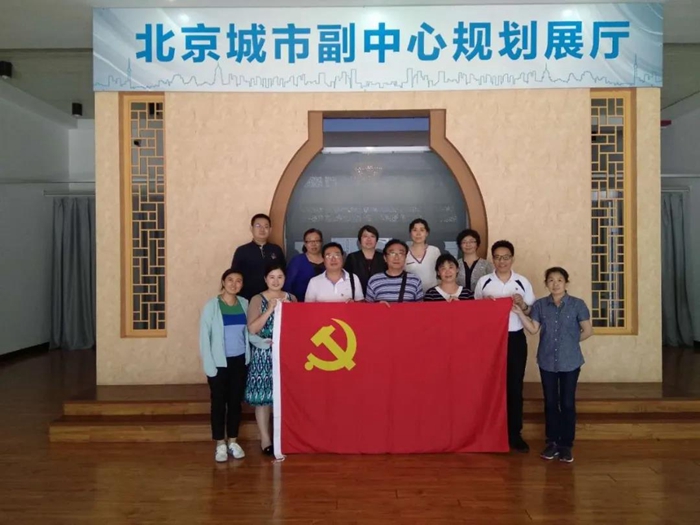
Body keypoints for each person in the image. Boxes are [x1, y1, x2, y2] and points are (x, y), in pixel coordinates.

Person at [512, 267, 592, 463]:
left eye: (559, 280)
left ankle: (566, 445)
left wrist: (570, 343)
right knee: (550, 402)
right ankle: (552, 442)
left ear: (566, 283)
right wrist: (520, 313)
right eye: (551, 280)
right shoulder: (540, 305)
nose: (555, 284)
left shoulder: (577, 304)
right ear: (546, 283)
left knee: (567, 403)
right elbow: (533, 329)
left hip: (570, 361)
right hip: (547, 361)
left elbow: (588, 330)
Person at [474, 240, 535, 453]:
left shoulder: (522, 282)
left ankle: (514, 434)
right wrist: (486, 305)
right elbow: (475, 312)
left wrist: (522, 304)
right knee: (489, 386)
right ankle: (488, 432)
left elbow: (530, 311)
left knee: (514, 387)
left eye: (506, 257)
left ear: (512, 258)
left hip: (515, 339)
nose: (502, 261)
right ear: (493, 259)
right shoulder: (483, 282)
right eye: (498, 257)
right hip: (490, 341)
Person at [244, 262, 296, 456]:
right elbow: (252, 328)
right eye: (272, 277)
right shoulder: (257, 299)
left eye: (280, 277)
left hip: (286, 353)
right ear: (265, 279)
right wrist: (270, 310)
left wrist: (291, 311)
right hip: (264, 352)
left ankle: (285, 437)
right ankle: (265, 438)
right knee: (264, 397)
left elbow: (300, 328)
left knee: (286, 396)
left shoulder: (291, 297)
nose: (276, 281)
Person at [199, 268, 250, 463]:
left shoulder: (244, 304)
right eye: (230, 280)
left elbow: (250, 333)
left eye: (238, 281)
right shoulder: (212, 306)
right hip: (219, 363)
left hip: (240, 361)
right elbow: (204, 338)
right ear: (223, 282)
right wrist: (209, 366)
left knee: (235, 403)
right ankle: (220, 443)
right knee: (219, 404)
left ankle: (233, 442)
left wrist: (265, 342)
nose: (234, 284)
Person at [231, 213, 286, 300]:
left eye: (266, 226)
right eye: (258, 226)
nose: (262, 229)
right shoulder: (242, 251)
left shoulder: (276, 250)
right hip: (248, 297)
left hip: (273, 298)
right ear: (251, 228)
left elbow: (283, 272)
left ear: (270, 230)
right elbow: (235, 275)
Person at [366, 239, 424, 303]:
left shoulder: (415, 280)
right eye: (392, 253)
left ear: (405, 257)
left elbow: (420, 307)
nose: (396, 258)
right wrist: (377, 306)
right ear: (385, 258)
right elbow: (367, 307)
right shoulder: (374, 280)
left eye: (401, 253)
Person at [283, 228, 324, 301]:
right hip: (300, 303)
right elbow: (288, 285)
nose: (313, 244)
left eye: (316, 241)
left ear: (321, 242)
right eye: (309, 241)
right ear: (305, 244)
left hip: (327, 302)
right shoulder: (297, 261)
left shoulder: (328, 260)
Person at [344, 225, 387, 294]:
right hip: (357, 296)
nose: (369, 239)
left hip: (379, 295)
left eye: (372, 236)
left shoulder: (383, 258)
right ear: (360, 240)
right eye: (365, 236)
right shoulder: (352, 257)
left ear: (376, 240)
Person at [405, 218, 442, 292]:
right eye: (415, 230)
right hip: (411, 293)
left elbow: (441, 273)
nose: (418, 233)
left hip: (432, 294)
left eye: (422, 230)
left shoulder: (434, 251)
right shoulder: (404, 252)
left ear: (427, 233)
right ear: (410, 233)